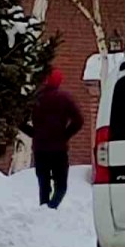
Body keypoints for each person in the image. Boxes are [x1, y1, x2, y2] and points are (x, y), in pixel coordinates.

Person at [19, 68, 84, 209]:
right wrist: (65, 135)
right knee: (61, 186)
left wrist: (34, 133)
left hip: (40, 148)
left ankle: (44, 209)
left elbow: (20, 121)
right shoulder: (65, 99)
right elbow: (79, 120)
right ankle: (52, 208)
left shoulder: (35, 99)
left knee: (44, 183)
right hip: (58, 149)